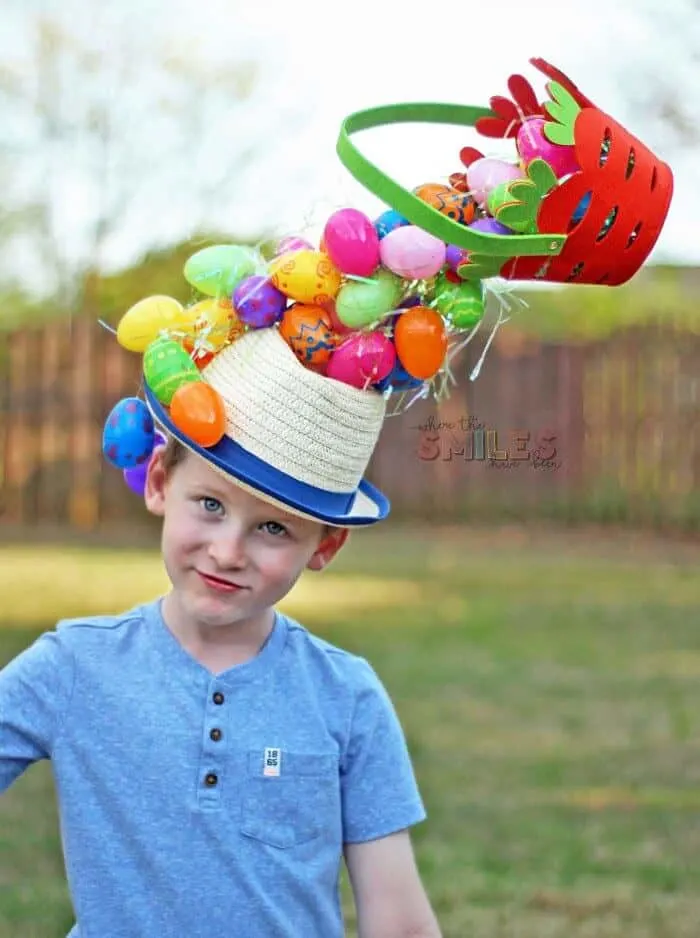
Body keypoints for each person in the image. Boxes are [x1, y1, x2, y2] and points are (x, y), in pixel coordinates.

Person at [0, 325, 443, 938]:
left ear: (326, 546)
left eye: (273, 529)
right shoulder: (75, 665)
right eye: (210, 505)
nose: (228, 551)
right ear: (159, 481)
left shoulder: (346, 697)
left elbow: (397, 919)